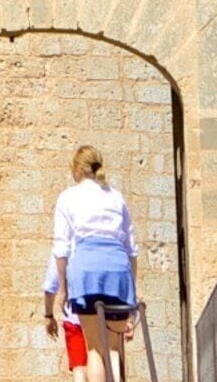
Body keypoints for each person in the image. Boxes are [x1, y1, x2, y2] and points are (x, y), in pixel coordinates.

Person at [43, 145, 139, 380]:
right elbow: (131, 248)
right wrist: (132, 288)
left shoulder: (68, 197)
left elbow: (61, 247)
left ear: (76, 170)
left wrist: (64, 289)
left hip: (86, 272)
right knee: (114, 349)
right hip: (117, 270)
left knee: (95, 349)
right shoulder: (116, 197)